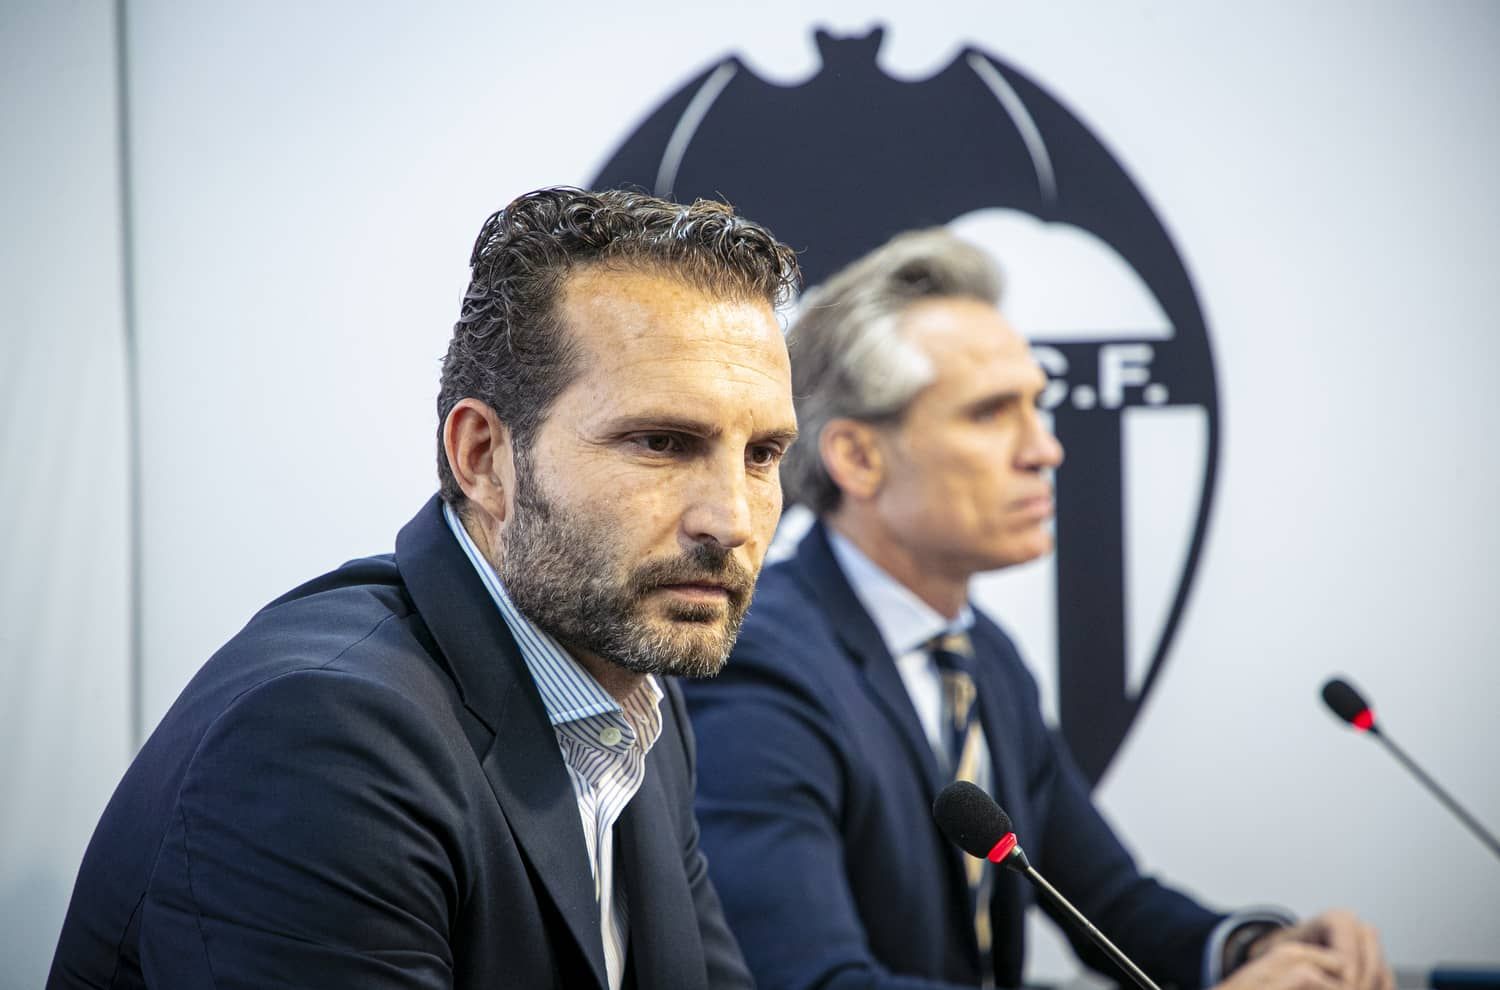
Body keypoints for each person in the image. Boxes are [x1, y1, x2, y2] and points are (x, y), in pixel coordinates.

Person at [48, 187, 801, 990]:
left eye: (762, 455)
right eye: (661, 441)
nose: (731, 519)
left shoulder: (637, 693)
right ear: (483, 458)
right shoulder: (323, 735)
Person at [681, 229, 1393, 990]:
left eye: (1037, 406)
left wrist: (1256, 949)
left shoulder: (982, 655)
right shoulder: (757, 664)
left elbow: (1111, 904)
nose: (1045, 450)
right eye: (991, 414)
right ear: (857, 457)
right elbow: (814, 984)